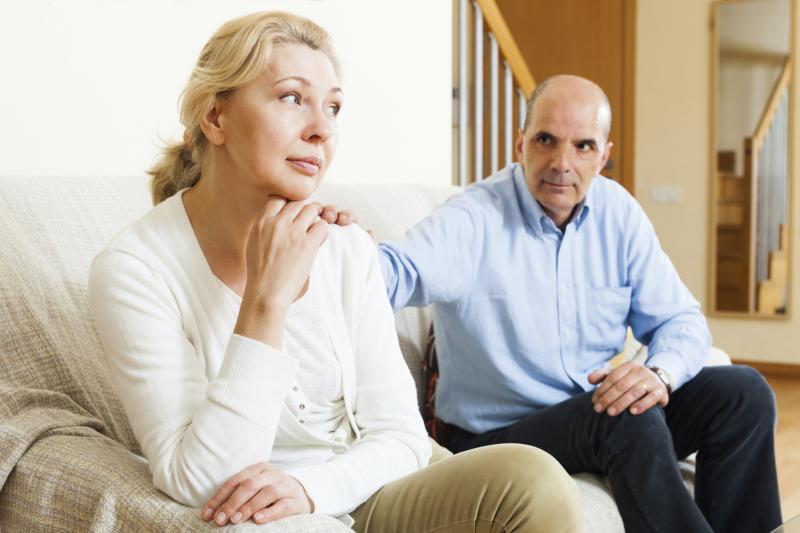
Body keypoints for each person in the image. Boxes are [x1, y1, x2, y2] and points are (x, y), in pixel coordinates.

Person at [87, 12, 581, 532]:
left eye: (333, 107)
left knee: (536, 481)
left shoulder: (345, 246)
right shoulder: (134, 271)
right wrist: (266, 300)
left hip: (368, 480)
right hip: (285, 507)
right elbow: (202, 481)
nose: (321, 129)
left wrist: (309, 489)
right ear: (215, 117)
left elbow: (400, 435)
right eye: (291, 97)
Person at [378, 74, 782, 533]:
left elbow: (681, 319)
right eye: (546, 140)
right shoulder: (474, 217)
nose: (561, 163)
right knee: (621, 414)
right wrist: (342, 248)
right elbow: (394, 272)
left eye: (583, 146)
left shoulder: (618, 212)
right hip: (498, 438)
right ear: (521, 144)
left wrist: (657, 374)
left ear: (603, 155)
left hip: (590, 416)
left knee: (744, 394)